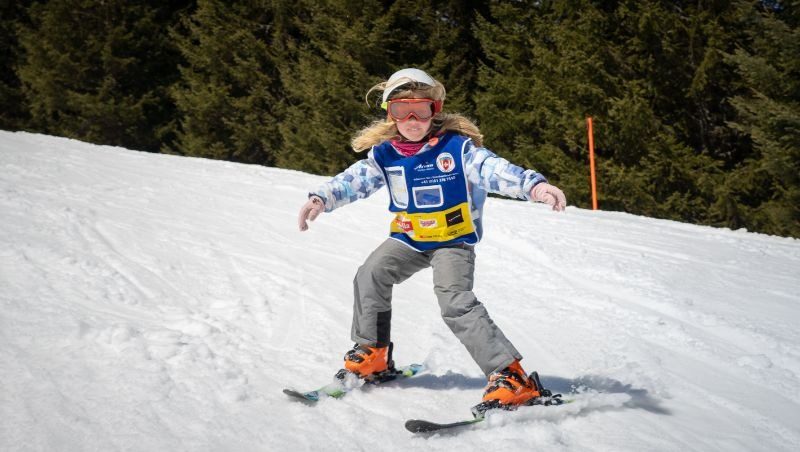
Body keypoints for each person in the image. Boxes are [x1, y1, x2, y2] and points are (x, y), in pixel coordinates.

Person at [297, 68, 567, 409]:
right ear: (390, 114)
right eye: (402, 110)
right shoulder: (385, 154)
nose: (412, 120)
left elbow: (493, 170)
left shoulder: (457, 149)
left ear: (434, 110)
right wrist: (321, 198)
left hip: (453, 240)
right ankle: (373, 354)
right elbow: (354, 180)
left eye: (421, 111)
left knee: (454, 301)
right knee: (371, 274)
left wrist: (534, 186)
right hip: (410, 238)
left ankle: (510, 377)